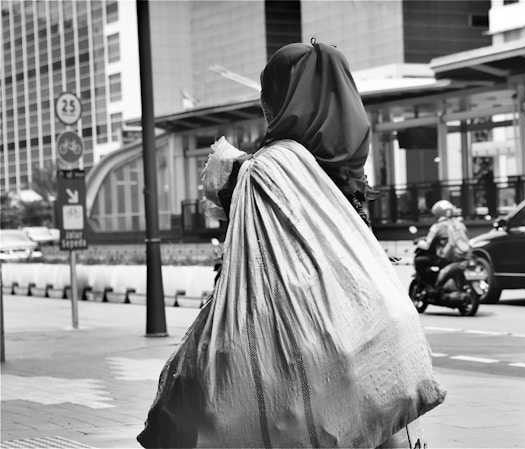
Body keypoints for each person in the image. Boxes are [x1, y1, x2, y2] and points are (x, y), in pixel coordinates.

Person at [137, 42, 445, 448]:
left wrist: (228, 179)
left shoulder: (265, 167)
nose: (265, 105)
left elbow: (252, 260)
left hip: (305, 345)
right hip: (378, 332)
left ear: (284, 98)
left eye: (270, 94)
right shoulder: (349, 162)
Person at [414, 200, 471, 289]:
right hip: (463, 256)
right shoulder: (460, 225)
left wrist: (419, 242)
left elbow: (427, 245)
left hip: (447, 257)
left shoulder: (438, 226)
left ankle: (430, 285)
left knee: (419, 261)